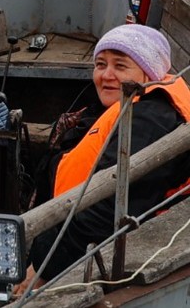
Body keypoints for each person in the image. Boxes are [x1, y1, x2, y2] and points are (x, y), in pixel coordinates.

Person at [26, 24, 190, 287]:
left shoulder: (150, 121)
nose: (107, 75)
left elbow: (107, 210)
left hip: (92, 257)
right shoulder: (117, 110)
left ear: (149, 73)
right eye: (100, 64)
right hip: (69, 239)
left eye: (121, 66)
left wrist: (43, 267)